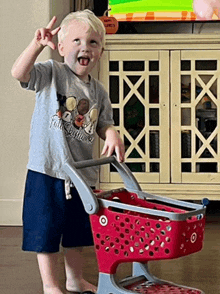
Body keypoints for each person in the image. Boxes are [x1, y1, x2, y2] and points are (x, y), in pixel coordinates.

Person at [11, 9, 125, 294]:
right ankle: (51, 284)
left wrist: (112, 133)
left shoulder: (98, 91)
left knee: (78, 234)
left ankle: (75, 280)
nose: (84, 47)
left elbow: (104, 123)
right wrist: (36, 45)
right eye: (76, 41)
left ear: (100, 51)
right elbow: (19, 73)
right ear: (61, 48)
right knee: (46, 233)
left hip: (81, 175)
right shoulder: (52, 73)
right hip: (47, 170)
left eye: (93, 42)